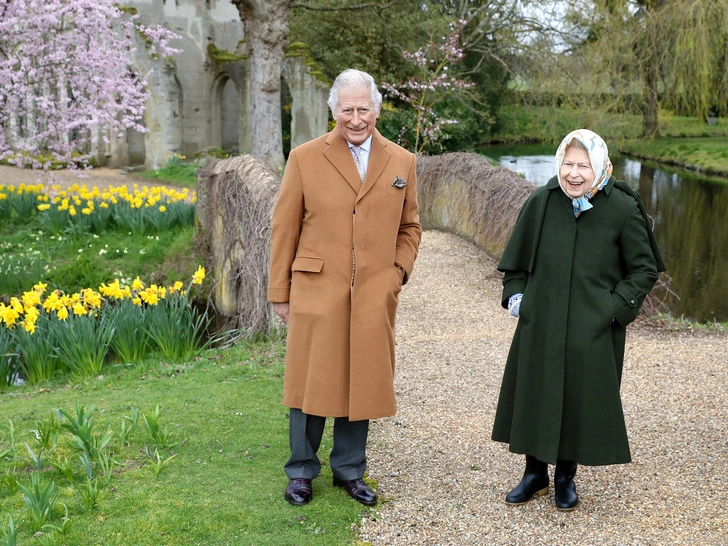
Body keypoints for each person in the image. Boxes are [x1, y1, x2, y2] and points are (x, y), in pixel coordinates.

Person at [268, 68, 422, 507]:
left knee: (363, 379)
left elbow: (410, 227)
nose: (357, 118)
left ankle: (350, 472)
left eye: (364, 109)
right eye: (347, 109)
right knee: (310, 382)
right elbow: (284, 228)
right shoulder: (304, 157)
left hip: (375, 291)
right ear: (334, 110)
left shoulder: (402, 161)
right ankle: (300, 472)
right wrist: (280, 292)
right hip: (316, 288)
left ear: (377, 109)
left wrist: (396, 274)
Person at [491, 129, 665, 511]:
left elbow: (643, 270)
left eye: (583, 165)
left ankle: (565, 477)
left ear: (600, 166)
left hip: (593, 329)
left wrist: (611, 309)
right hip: (541, 325)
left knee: (577, 398)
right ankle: (534, 474)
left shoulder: (622, 207)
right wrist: (519, 300)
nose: (573, 173)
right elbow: (515, 265)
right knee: (536, 393)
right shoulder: (541, 201)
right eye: (568, 164)